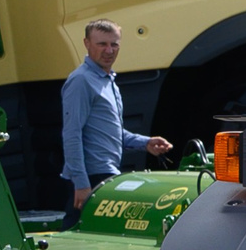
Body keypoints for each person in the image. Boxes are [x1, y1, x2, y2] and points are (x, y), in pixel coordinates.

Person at [60, 19, 169, 226]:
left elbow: (111, 132)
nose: (109, 50)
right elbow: (71, 134)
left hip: (105, 172)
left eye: (114, 44)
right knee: (77, 235)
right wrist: (82, 185)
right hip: (91, 176)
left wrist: (145, 143)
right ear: (87, 44)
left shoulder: (108, 80)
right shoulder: (81, 80)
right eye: (102, 44)